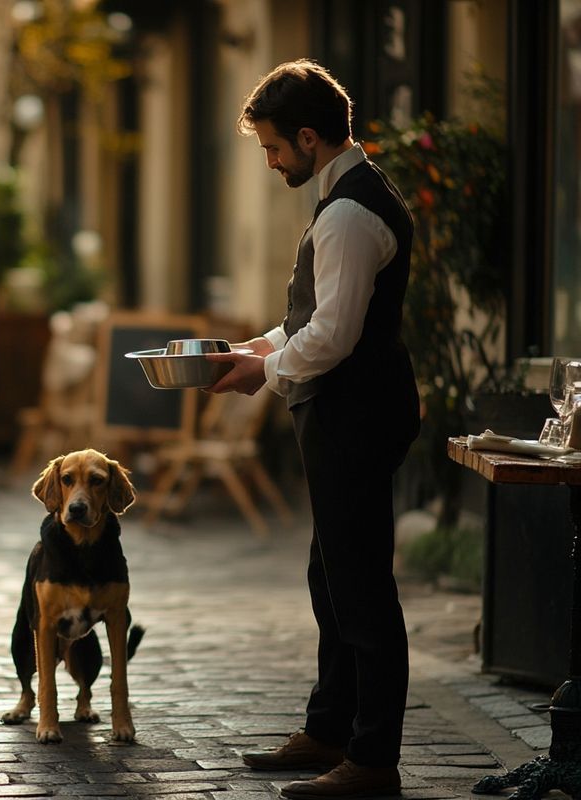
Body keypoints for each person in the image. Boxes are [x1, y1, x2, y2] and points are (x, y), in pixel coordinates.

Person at [206, 60, 420, 800]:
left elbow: (331, 335)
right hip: (346, 409)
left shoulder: (350, 214)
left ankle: (372, 761)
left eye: (272, 148)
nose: (269, 162)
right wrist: (254, 352)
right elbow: (312, 321)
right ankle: (330, 730)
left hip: (355, 414)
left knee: (359, 587)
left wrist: (265, 370)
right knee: (329, 575)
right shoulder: (345, 199)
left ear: (306, 136)